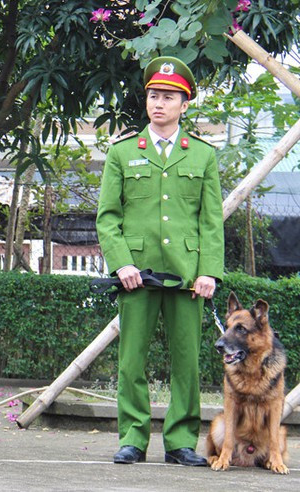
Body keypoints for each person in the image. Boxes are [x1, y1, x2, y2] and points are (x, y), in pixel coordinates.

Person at [96, 56, 224, 466]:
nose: (159, 103)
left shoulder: (202, 156)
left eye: (169, 97)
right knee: (131, 359)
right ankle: (133, 438)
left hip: (188, 276)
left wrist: (208, 271)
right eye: (154, 95)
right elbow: (108, 217)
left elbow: (210, 221)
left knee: (186, 362)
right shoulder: (121, 152)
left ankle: (180, 442)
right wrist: (122, 264)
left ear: (184, 105)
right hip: (138, 275)